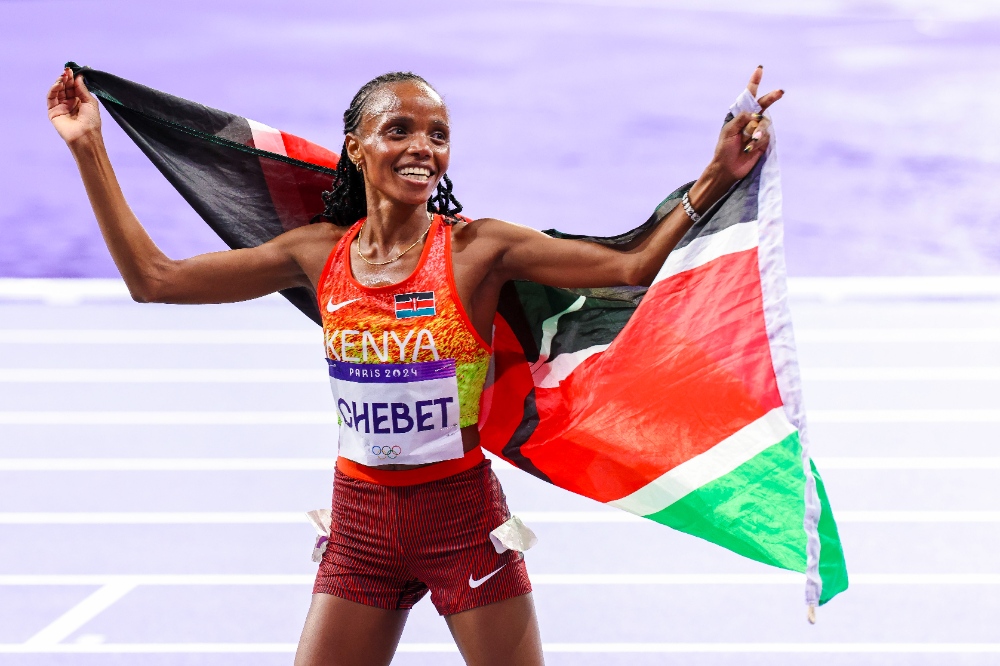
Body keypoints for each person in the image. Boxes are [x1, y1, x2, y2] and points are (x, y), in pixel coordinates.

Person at [47, 64, 781, 666]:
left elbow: (630, 266)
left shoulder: (478, 250)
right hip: (360, 529)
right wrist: (89, 148)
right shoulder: (315, 254)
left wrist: (716, 175)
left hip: (461, 523)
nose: (422, 147)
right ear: (356, 147)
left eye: (438, 134)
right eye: (398, 129)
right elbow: (156, 280)